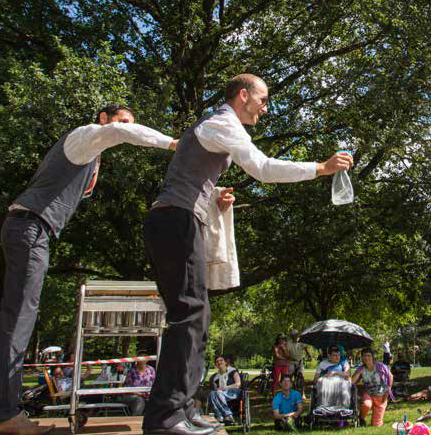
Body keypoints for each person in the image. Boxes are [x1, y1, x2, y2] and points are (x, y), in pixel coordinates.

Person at [142, 73, 353, 435]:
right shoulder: (222, 123)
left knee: (198, 317)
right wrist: (321, 168)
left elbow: (191, 177)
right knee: (189, 316)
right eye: (262, 100)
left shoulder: (217, 127)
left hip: (179, 220)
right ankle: (165, 417)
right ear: (243, 95)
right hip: (175, 221)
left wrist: (215, 197)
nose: (265, 108)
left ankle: (183, 408)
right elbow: (263, 168)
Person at [0, 104, 177, 435]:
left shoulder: (91, 155)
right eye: (122, 121)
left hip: (28, 228)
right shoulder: (84, 136)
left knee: (13, 317)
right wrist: (173, 143)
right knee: (21, 316)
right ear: (103, 118)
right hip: (31, 227)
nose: (126, 128)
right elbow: (118, 132)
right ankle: (4, 413)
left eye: (131, 124)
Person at [351, 347, 393, 427]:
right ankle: (361, 418)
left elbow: (390, 376)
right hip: (369, 394)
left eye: (368, 355)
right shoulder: (361, 368)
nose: (366, 357)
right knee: (366, 405)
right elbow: (352, 381)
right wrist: (359, 373)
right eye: (364, 356)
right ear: (362, 358)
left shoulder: (380, 366)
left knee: (376, 425)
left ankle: (376, 420)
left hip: (381, 396)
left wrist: (388, 391)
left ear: (372, 357)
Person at [208, 355, 241, 425]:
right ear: (216, 365)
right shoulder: (215, 377)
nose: (219, 362)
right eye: (217, 361)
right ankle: (220, 416)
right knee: (212, 393)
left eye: (221, 360)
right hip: (221, 394)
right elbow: (215, 389)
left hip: (234, 392)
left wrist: (224, 388)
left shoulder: (232, 371)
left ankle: (228, 415)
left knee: (218, 392)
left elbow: (238, 384)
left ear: (225, 362)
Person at [286, 329, 310, 397]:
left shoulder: (301, 341)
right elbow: (287, 353)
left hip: (300, 361)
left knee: (301, 376)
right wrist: (290, 358)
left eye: (295, 335)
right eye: (293, 336)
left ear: (297, 335)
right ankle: (288, 391)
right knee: (290, 376)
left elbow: (306, 349)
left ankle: (302, 393)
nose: (294, 337)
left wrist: (309, 356)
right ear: (291, 336)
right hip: (291, 361)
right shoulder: (288, 343)